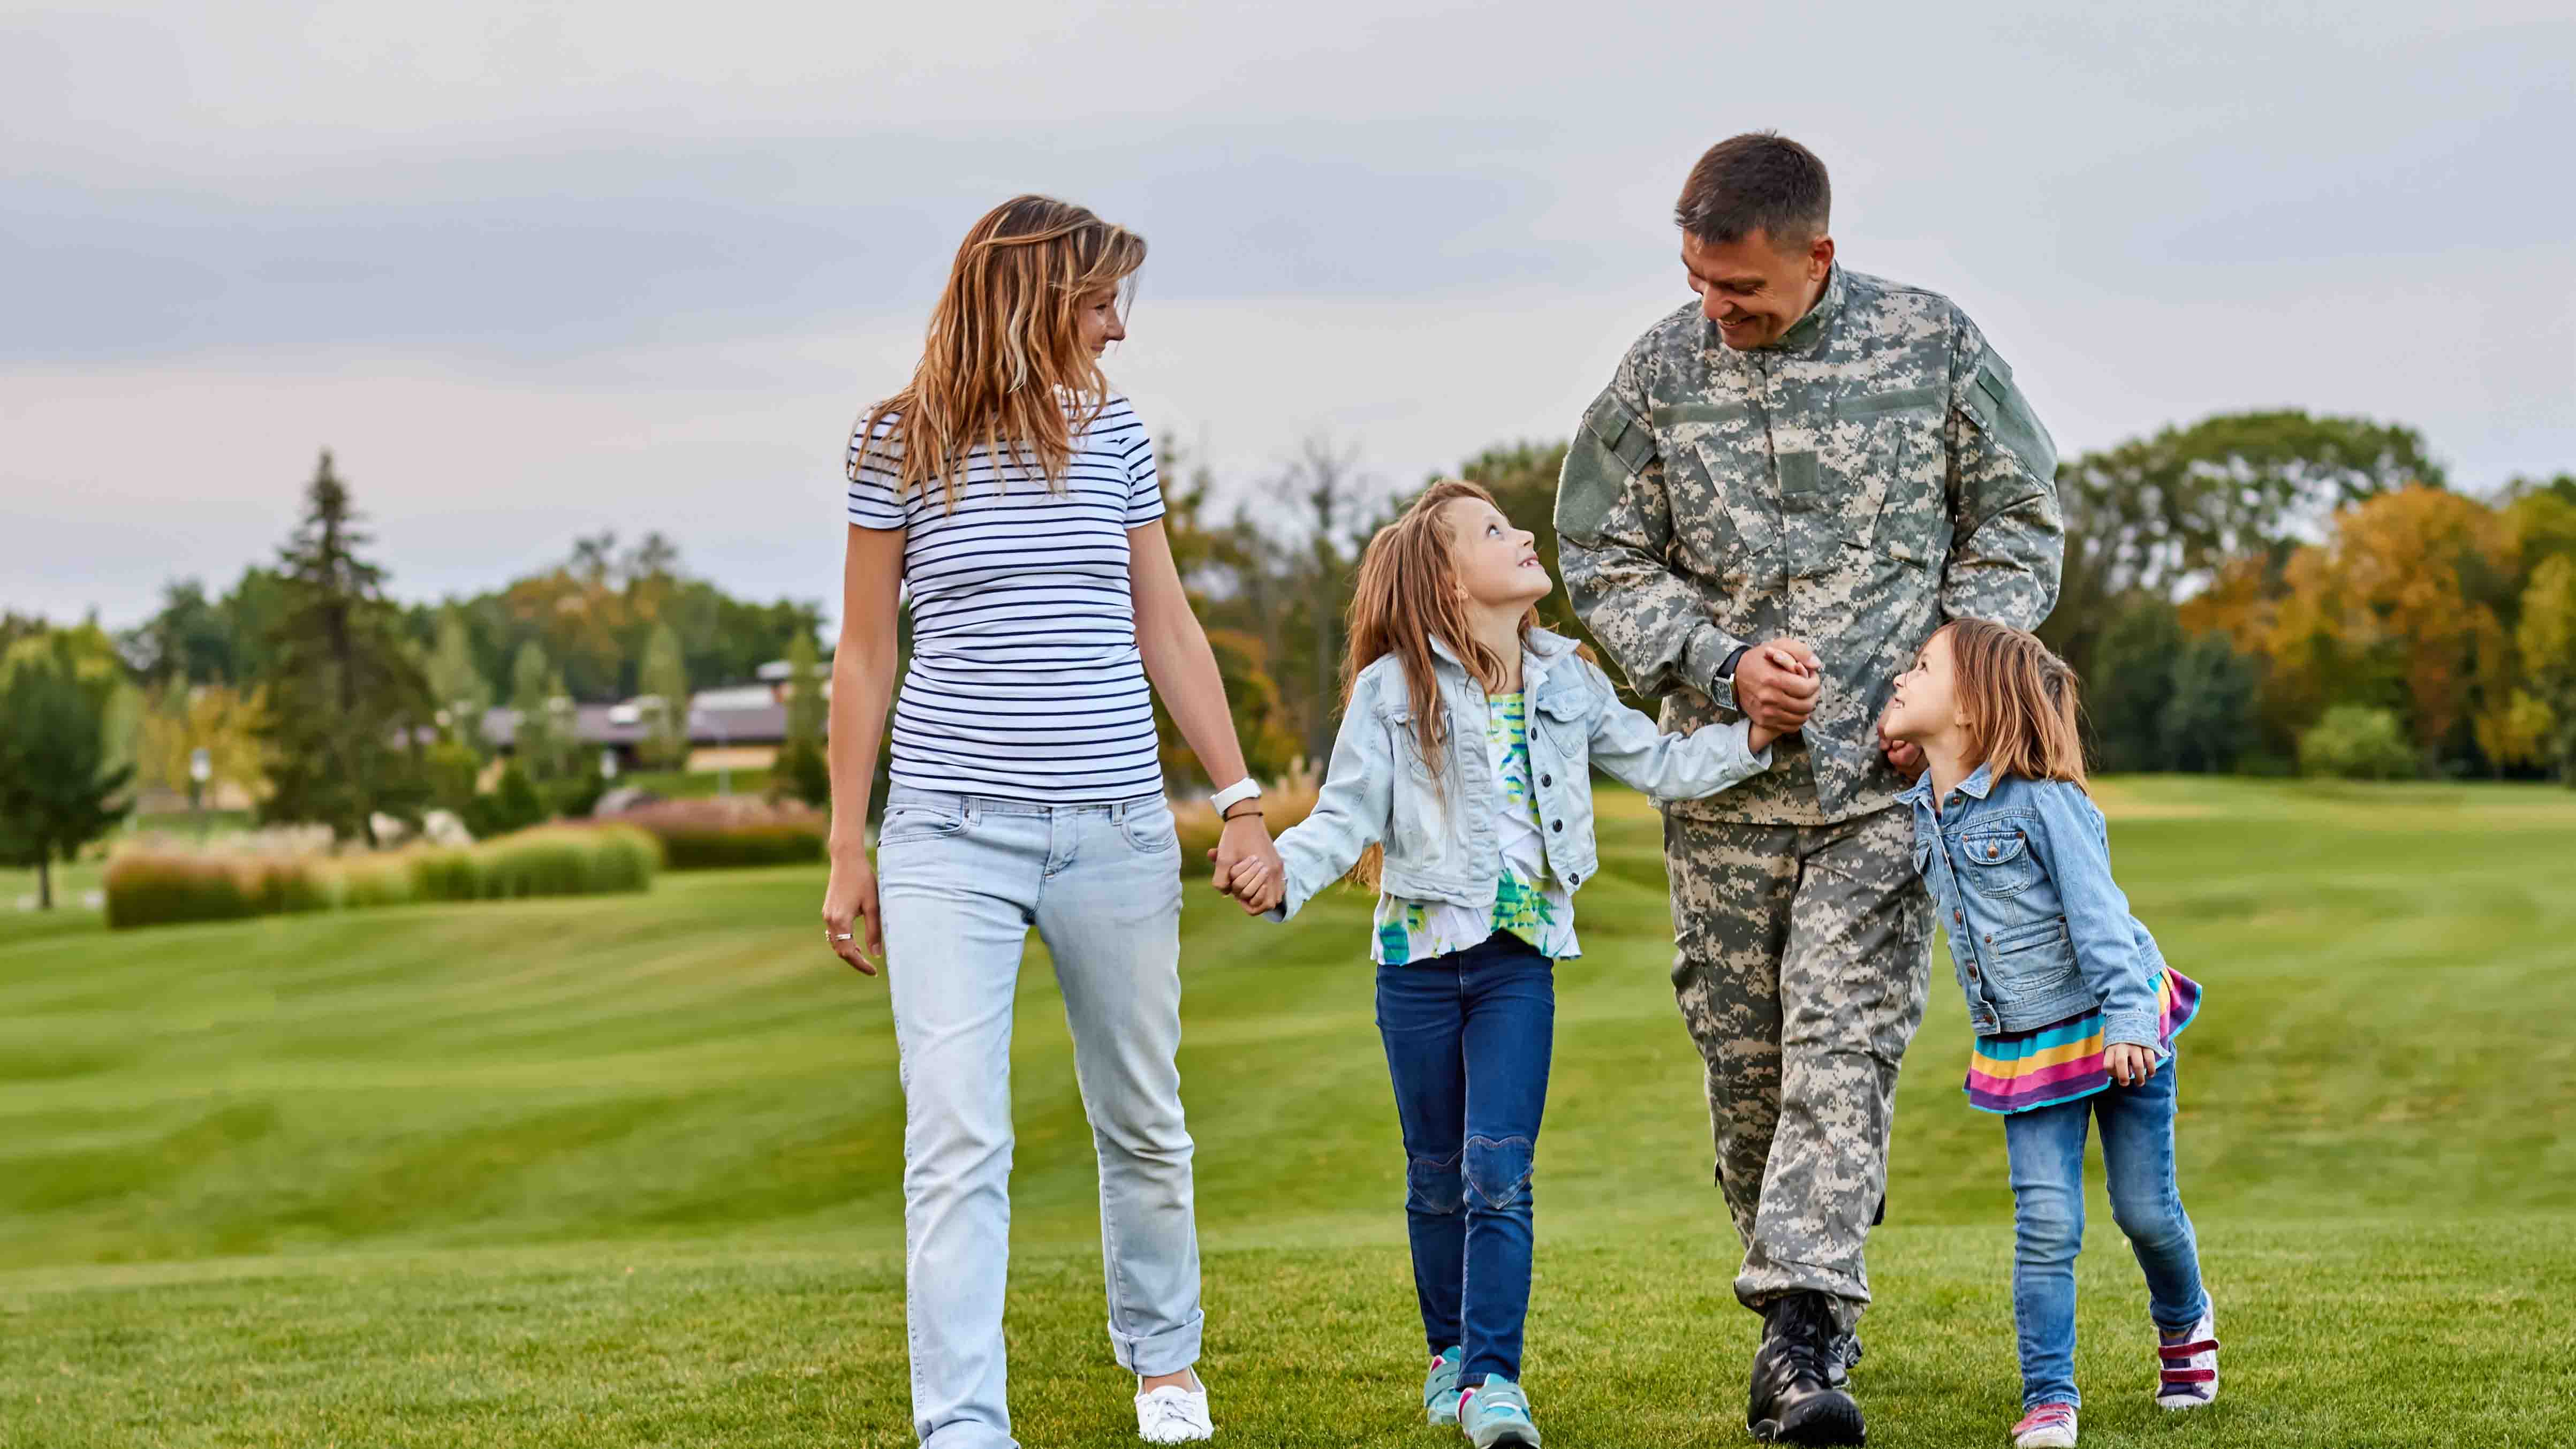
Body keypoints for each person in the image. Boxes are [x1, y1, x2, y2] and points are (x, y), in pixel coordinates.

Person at [1554, 131, 2066, 1445]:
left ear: (1818, 256)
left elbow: (2019, 521)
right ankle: (1805, 1254)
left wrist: (1946, 680)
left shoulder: (1932, 346)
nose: (1718, 312)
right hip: (1724, 796)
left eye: (1745, 291)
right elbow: (1596, 551)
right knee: (1749, 1075)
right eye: (1700, 283)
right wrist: (1719, 662)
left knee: (1844, 1042)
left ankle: (1802, 1336)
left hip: (1884, 792)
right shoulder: (1660, 376)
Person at [820, 194, 1285, 1449]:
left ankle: (1165, 1364)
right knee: (956, 1129)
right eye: (1098, 302)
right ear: (1031, 300)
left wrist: (1239, 799)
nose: (1120, 329)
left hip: (1117, 825)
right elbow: (864, 657)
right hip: (945, 833)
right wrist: (845, 843)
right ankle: (964, 1425)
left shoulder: (1119, 433)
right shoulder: (895, 443)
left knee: (1141, 1114)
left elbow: (1166, 624)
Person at [1222, 480, 1783, 1449]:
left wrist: (1754, 741)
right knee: (1436, 1173)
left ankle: (1494, 1381)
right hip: (1417, 963)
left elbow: (1657, 763)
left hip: (1518, 961)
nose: (1523, 535)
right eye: (1494, 531)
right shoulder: (1392, 690)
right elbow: (1345, 816)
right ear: (1447, 582)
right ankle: (1448, 1356)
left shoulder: (1567, 676)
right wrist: (1281, 876)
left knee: (1497, 1170)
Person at [1881, 619, 2216, 1448]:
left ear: (1971, 710)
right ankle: (2049, 1396)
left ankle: (2184, 1321)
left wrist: (2134, 1021)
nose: (1899, 675)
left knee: (2144, 1210)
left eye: (1922, 667)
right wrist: (1915, 753)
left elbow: (2102, 920)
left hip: (2117, 1024)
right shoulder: (1926, 802)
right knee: (2046, 1223)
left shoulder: (2045, 804)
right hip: (2026, 1045)